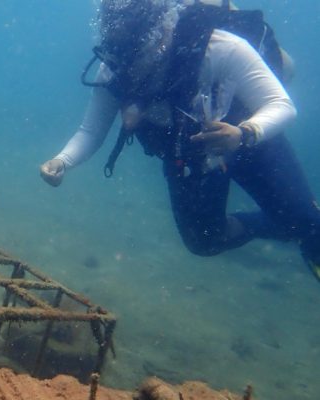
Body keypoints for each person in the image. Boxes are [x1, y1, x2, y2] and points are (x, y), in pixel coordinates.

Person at [39, 0, 320, 280]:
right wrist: (62, 161)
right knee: (204, 242)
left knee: (306, 223)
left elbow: (281, 104)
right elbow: (91, 131)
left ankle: (303, 226)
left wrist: (245, 132)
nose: (132, 68)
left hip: (254, 144)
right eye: (123, 56)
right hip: (191, 157)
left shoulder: (218, 47)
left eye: (137, 54)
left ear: (161, 32)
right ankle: (280, 224)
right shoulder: (116, 65)